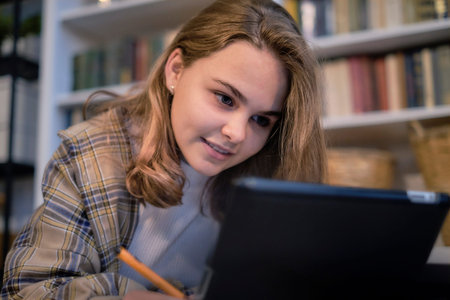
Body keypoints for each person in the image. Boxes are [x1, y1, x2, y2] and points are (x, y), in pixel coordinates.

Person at [2, 0, 326, 299]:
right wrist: (134, 295)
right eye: (225, 98)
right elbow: (28, 291)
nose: (237, 134)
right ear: (176, 70)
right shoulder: (90, 155)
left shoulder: (264, 179)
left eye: (261, 119)